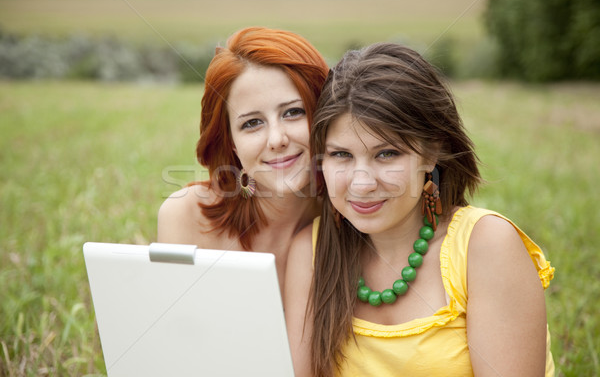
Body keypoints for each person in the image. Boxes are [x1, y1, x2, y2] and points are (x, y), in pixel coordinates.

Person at [284, 42, 555, 376]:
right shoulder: (310, 252)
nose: (362, 183)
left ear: (431, 154)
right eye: (341, 155)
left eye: (386, 154)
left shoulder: (485, 246)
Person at [157, 26, 329, 292]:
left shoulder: (352, 218)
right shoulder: (185, 216)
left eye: (293, 112)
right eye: (252, 123)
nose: (276, 139)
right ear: (232, 144)